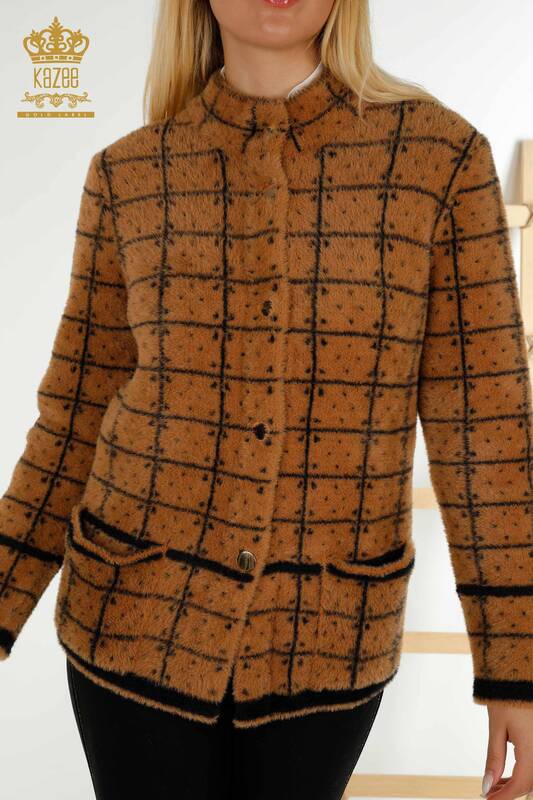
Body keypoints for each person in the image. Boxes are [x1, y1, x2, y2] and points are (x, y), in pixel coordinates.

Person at [1, 1, 532, 799]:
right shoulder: (129, 174)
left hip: (328, 638)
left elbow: (485, 432)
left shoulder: (439, 162)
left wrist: (516, 668)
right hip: (127, 624)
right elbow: (73, 419)